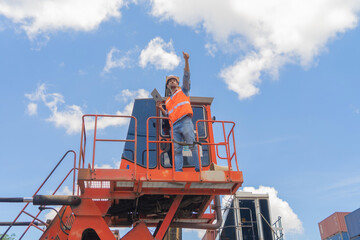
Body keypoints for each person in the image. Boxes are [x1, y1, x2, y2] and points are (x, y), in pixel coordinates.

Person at [156, 52, 200, 172]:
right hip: (174, 126)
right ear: (168, 86)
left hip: (185, 121)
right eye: (170, 81)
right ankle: (178, 171)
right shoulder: (168, 101)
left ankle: (198, 169)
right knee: (176, 150)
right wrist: (161, 108)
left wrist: (186, 60)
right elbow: (168, 114)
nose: (172, 82)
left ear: (177, 83)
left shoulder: (184, 91)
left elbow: (186, 76)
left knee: (192, 145)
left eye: (174, 80)